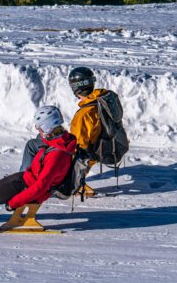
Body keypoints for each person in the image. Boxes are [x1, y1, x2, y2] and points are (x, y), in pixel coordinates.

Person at [19, 66, 125, 197]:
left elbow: (77, 148)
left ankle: (24, 183)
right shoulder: (105, 100)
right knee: (43, 137)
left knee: (33, 144)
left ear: (75, 88)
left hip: (81, 155)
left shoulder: (84, 114)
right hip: (104, 147)